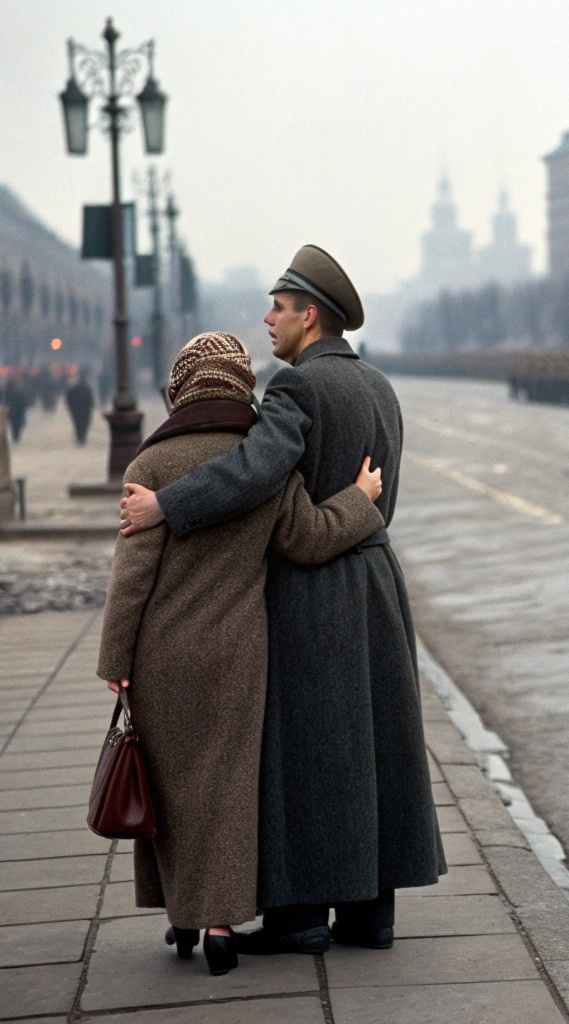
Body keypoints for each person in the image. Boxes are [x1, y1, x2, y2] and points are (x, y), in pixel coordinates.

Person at [119, 245, 446, 955]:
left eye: (279, 307)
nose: (268, 319)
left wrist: (167, 506)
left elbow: (252, 471)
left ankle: (299, 919)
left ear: (312, 316)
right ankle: (371, 917)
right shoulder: (380, 387)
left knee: (310, 755)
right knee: (371, 751)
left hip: (315, 589)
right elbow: (381, 497)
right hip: (376, 584)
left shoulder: (296, 389)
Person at [98, 332, 385, 975]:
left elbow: (131, 582)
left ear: (182, 385)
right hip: (238, 656)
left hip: (159, 659)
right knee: (224, 790)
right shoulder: (262, 462)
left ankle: (183, 916)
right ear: (240, 385)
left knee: (169, 788)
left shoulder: (150, 467)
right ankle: (224, 926)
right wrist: (360, 502)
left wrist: (114, 662)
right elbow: (308, 539)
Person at [65, 369, 95, 445]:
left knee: (79, 424)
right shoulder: (83, 388)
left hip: (80, 410)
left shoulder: (83, 388)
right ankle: (81, 438)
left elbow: (69, 399)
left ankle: (81, 438)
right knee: (82, 424)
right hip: (82, 410)